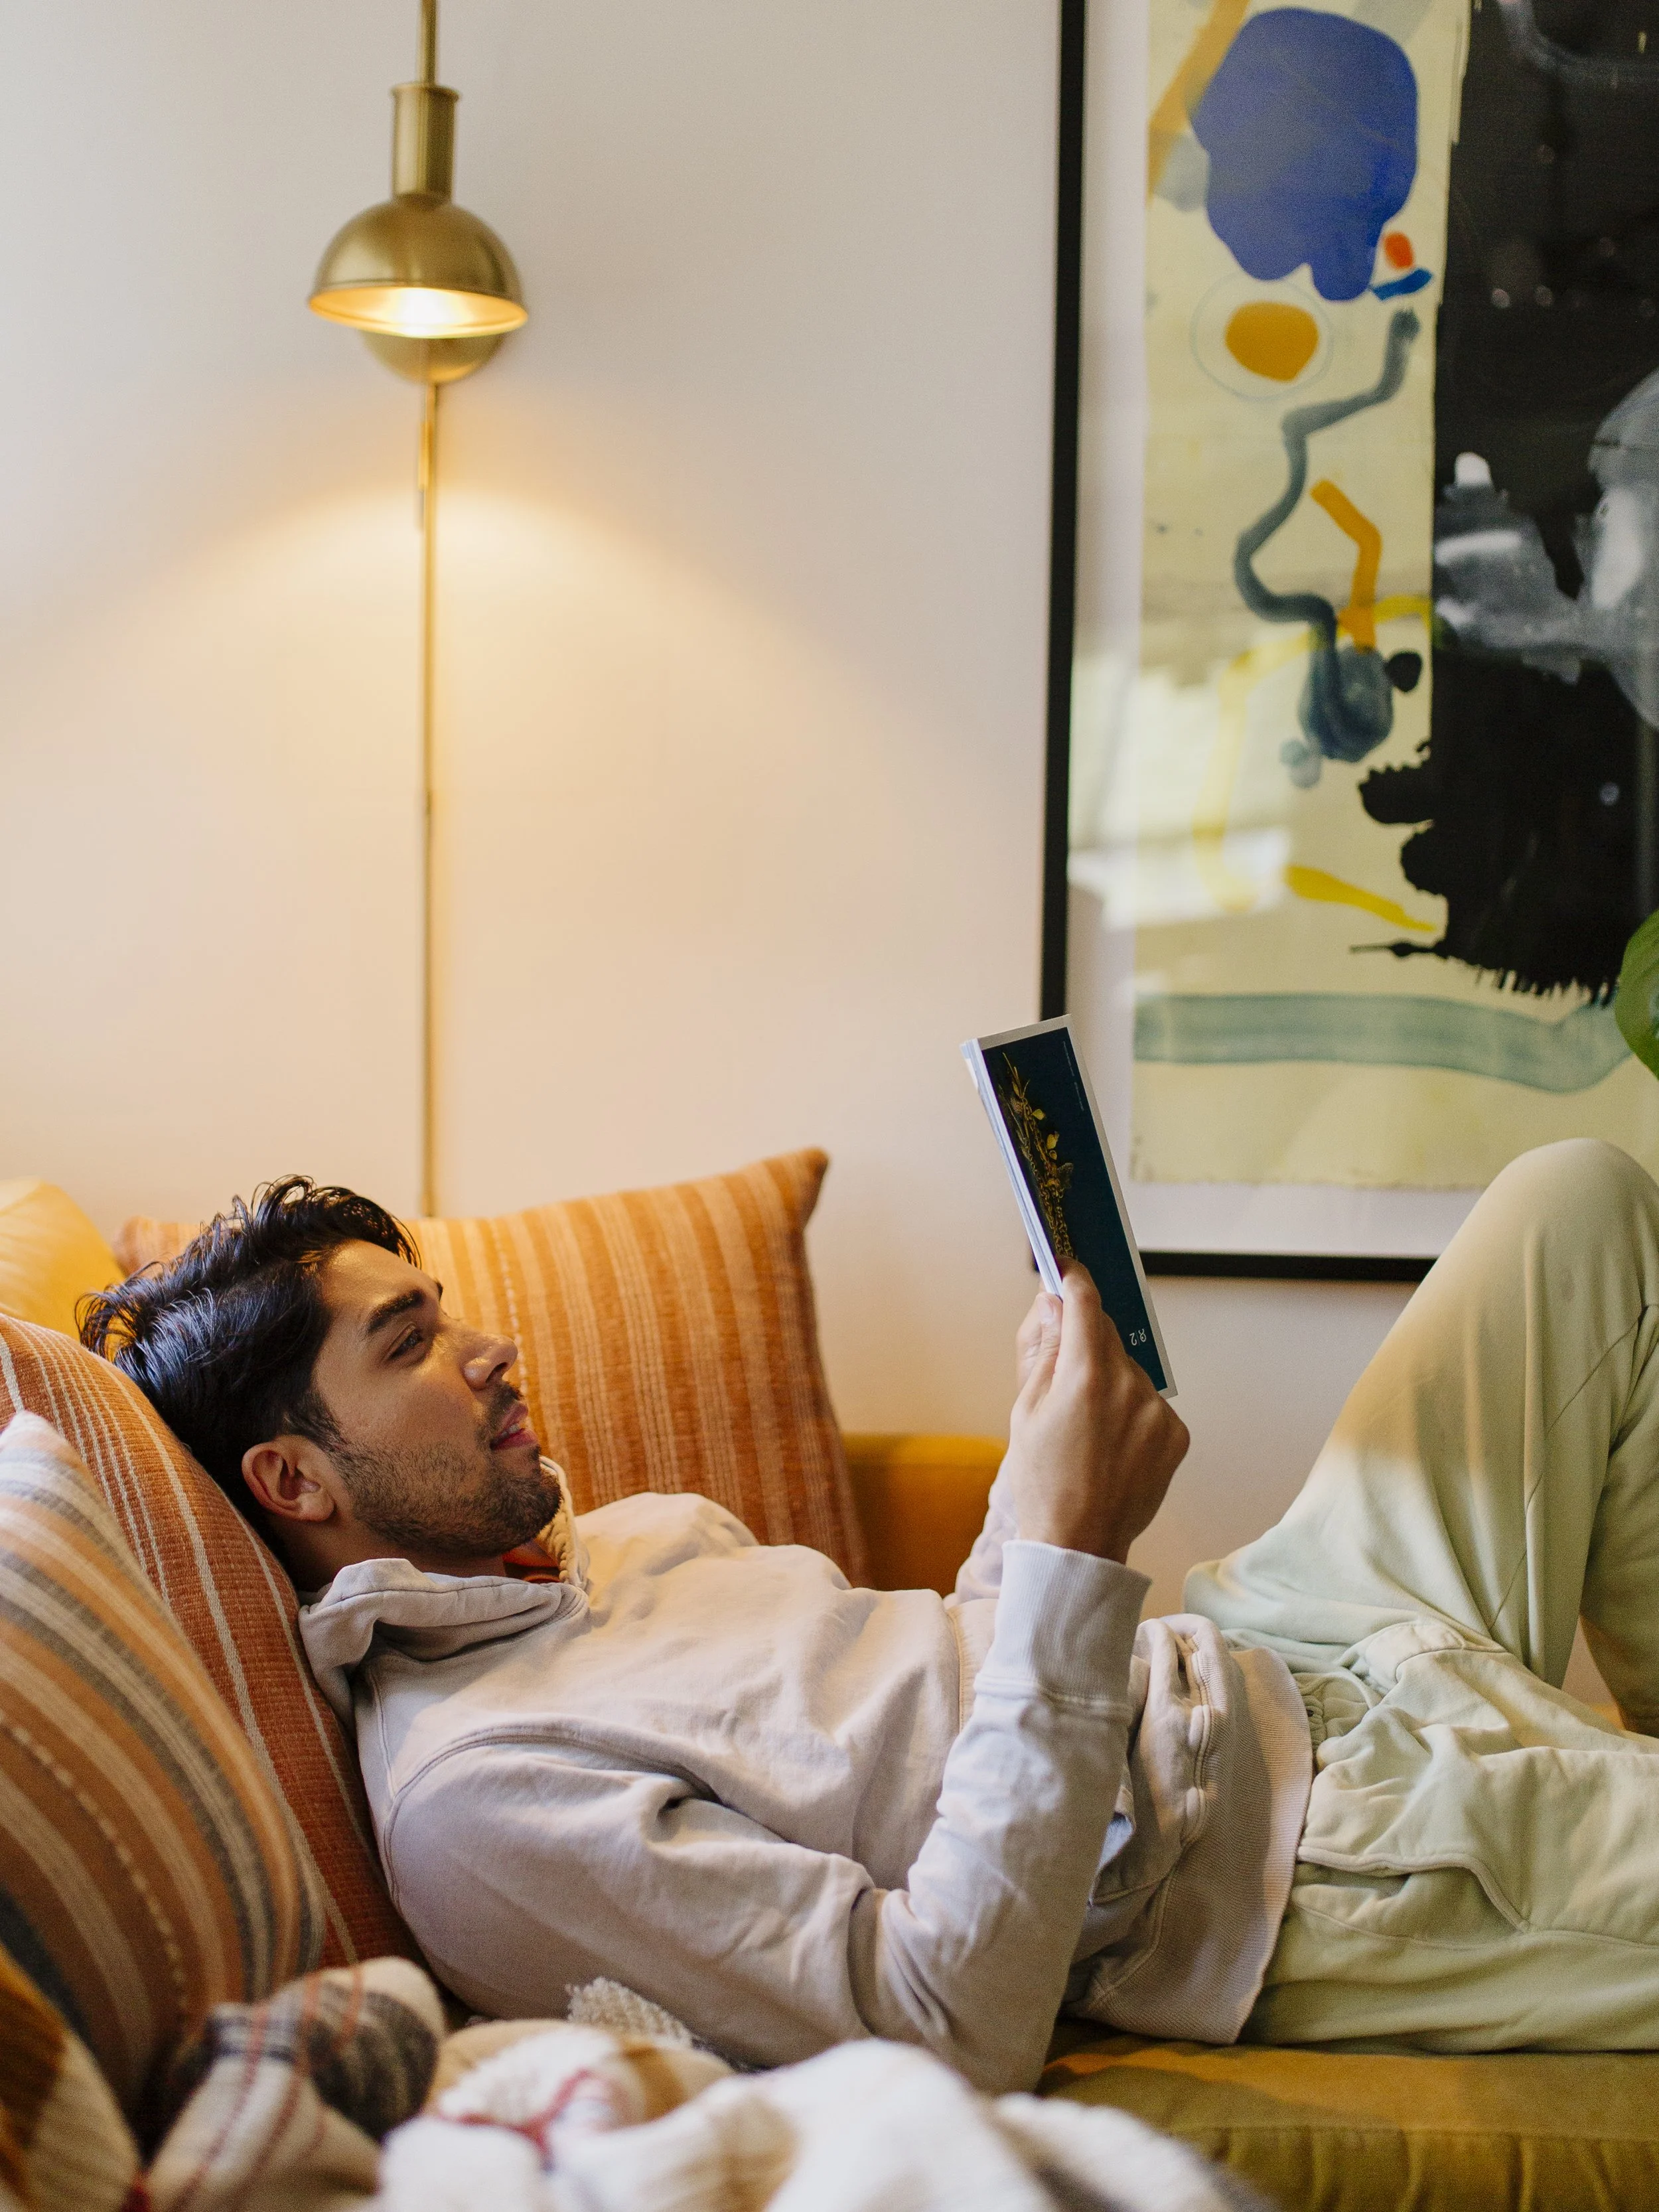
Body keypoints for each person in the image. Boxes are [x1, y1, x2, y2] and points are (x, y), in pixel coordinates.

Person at [80, 1138, 1659, 2087]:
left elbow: (952, 1687)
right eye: (413, 1338)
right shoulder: (478, 1798)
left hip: (1282, 1638)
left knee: (1570, 1206)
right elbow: (940, 2024)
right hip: (1301, 1848)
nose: (491, 1346)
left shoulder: (620, 1536)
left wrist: (1032, 1490)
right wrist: (1064, 1550)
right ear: (295, 1479)